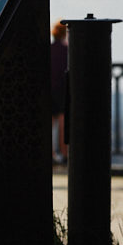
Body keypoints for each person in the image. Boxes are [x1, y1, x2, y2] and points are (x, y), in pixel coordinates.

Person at [50, 21, 68, 166]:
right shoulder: (66, 50)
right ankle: (64, 153)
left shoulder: (49, 49)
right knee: (63, 122)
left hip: (49, 88)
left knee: (50, 123)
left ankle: (51, 153)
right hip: (62, 89)